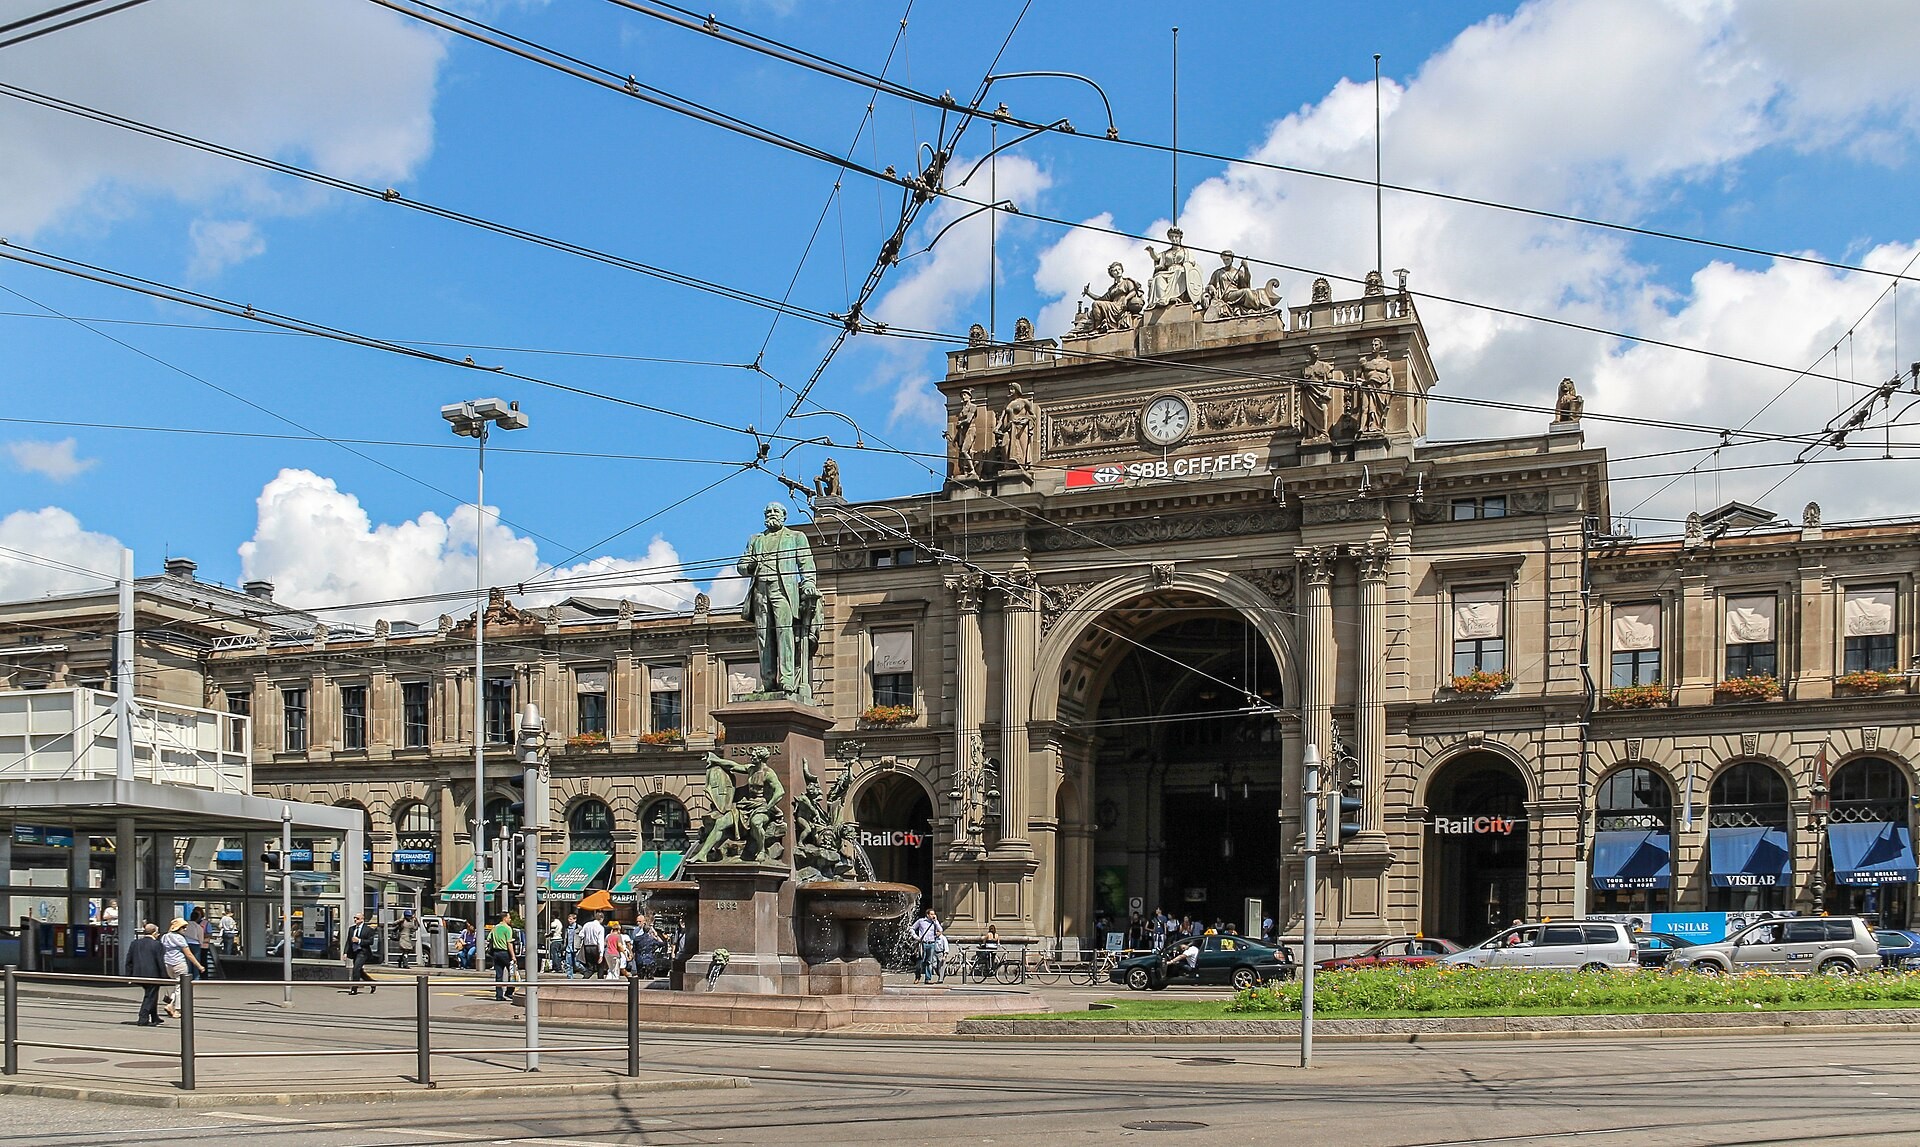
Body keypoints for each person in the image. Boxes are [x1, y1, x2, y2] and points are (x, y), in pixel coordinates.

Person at [738, 502, 820, 703]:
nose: (771, 514)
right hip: (760, 592)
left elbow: (807, 564)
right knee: (764, 636)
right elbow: (741, 566)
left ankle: (787, 679)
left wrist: (809, 583)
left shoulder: (796, 537)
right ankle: (767, 681)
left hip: (782, 590)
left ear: (784, 516)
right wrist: (750, 565)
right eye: (768, 511)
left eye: (775, 511)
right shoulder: (755, 539)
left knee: (784, 633)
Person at [126, 922, 168, 1026]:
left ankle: (154, 1016)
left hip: (138, 974)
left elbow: (129, 960)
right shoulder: (157, 945)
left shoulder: (135, 943)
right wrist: (164, 976)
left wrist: (128, 976)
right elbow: (160, 961)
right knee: (150, 996)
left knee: (152, 994)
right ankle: (143, 1018)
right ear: (154, 933)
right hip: (152, 974)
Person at [160, 918, 203, 1017]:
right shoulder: (180, 938)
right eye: (183, 927)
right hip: (179, 963)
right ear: (177, 928)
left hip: (168, 963)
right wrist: (199, 965)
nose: (185, 929)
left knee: (177, 985)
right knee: (181, 986)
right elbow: (189, 954)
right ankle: (177, 1009)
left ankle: (170, 1004)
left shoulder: (165, 937)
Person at [487, 912, 518, 1001]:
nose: (510, 919)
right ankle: (509, 992)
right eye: (509, 918)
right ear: (504, 918)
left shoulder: (495, 928)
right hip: (505, 953)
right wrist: (513, 956)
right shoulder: (507, 928)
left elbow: (489, 938)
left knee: (499, 975)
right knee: (512, 973)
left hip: (496, 953)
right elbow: (509, 943)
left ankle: (499, 995)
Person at [345, 912, 378, 994]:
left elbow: (370, 941)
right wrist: (345, 952)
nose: (355, 920)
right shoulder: (351, 929)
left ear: (362, 919)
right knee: (359, 971)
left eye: (357, 918)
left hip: (363, 952)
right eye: (354, 918)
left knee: (356, 969)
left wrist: (359, 941)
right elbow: (348, 942)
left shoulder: (368, 929)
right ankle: (372, 982)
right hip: (354, 952)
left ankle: (354, 989)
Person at [910, 908, 945, 984]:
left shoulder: (934, 922)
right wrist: (916, 937)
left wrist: (936, 921)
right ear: (927, 915)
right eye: (931, 914)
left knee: (929, 962)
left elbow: (940, 930)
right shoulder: (921, 921)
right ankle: (917, 976)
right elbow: (912, 928)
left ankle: (928, 979)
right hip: (923, 943)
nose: (933, 915)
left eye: (934, 914)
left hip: (931, 943)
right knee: (920, 961)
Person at [577, 912, 607, 979]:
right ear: (601, 919)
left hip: (587, 946)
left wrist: (586, 937)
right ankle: (600, 979)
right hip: (595, 947)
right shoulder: (600, 927)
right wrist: (601, 954)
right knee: (600, 965)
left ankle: (585, 977)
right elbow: (600, 941)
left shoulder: (587, 924)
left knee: (590, 966)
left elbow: (581, 934)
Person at [182, 907, 208, 979]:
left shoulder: (185, 925)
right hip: (196, 944)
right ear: (198, 918)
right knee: (196, 962)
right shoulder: (198, 927)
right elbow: (201, 938)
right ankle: (196, 978)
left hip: (186, 943)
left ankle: (188, 978)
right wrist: (201, 943)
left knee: (188, 962)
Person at [561, 912, 580, 979]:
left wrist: (580, 946)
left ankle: (585, 971)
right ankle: (570, 977)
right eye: (569, 919)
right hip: (568, 948)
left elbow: (582, 937)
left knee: (577, 964)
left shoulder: (578, 928)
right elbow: (566, 938)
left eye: (571, 919)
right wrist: (564, 947)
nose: (569, 920)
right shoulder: (567, 928)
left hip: (576, 948)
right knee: (568, 963)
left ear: (575, 919)